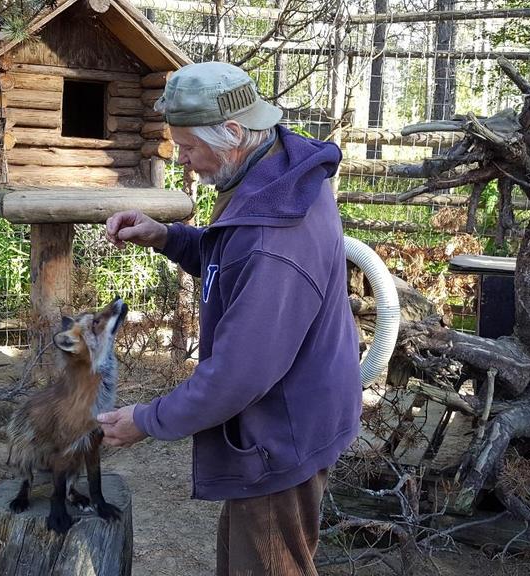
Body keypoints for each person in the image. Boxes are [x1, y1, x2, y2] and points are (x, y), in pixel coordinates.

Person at [99, 61, 361, 576]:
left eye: (191, 148)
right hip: (286, 418)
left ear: (235, 133)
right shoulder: (276, 174)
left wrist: (146, 420)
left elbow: (237, 375)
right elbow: (232, 263)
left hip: (281, 436)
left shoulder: (275, 234)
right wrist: (169, 238)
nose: (184, 162)